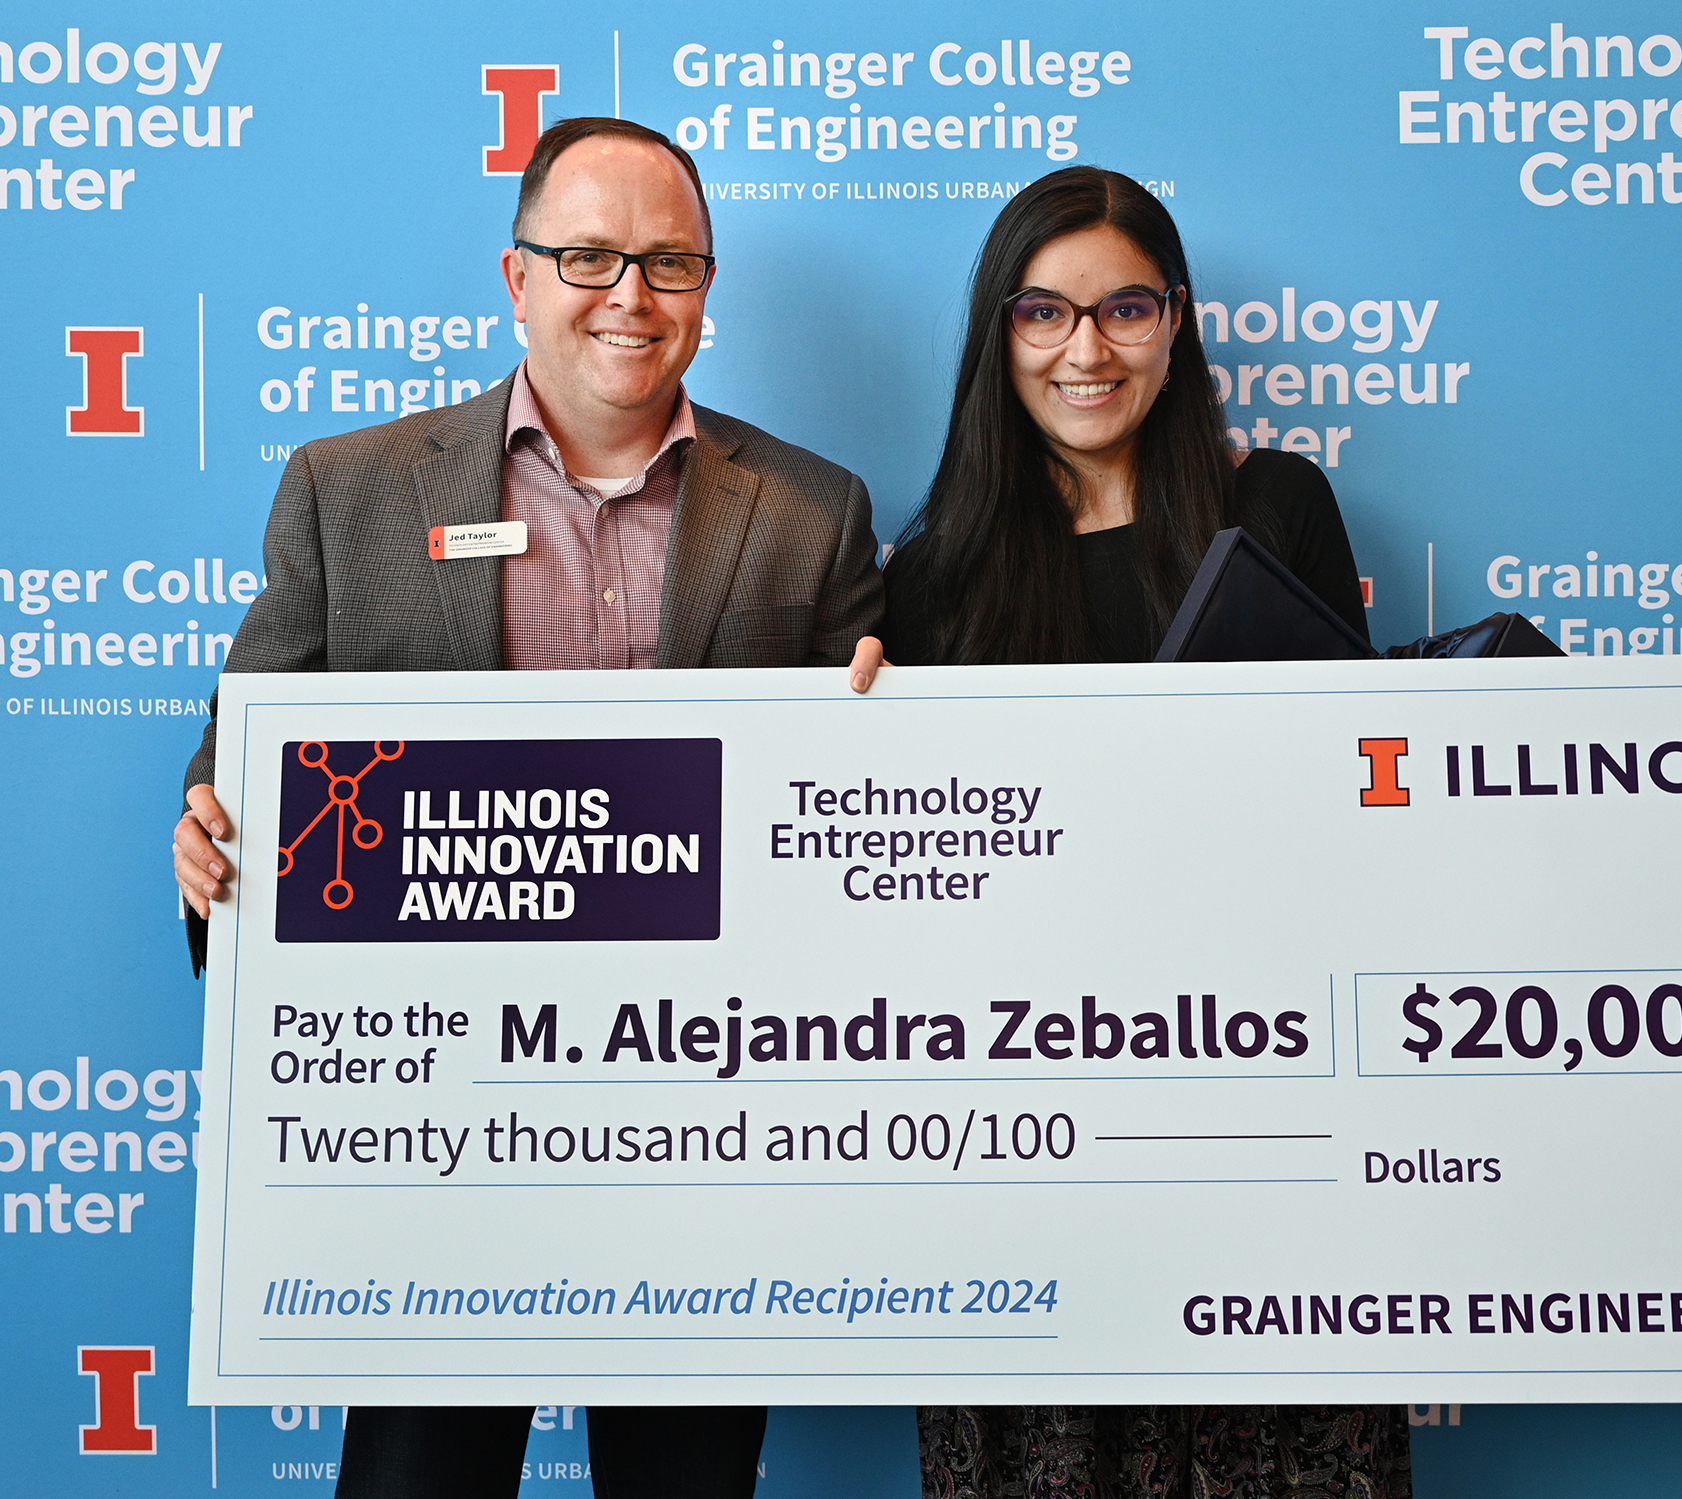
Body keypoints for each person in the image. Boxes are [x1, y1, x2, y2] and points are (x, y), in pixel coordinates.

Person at [172, 116, 883, 1499]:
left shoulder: (812, 511)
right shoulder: (353, 489)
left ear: (707, 283)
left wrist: (876, 739)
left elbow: (851, 843)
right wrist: (213, 836)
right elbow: (249, 762)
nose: (631, 296)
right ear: (516, 278)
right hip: (442, 1119)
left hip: (704, 1119)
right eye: (590, 256)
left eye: (669, 262)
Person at [848, 166, 1408, 1498]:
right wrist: (843, 756)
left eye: (1126, 310)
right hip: (1026, 1158)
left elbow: (1365, 819)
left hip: (1269, 1139)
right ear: (999, 338)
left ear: (1179, 323)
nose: (1085, 351)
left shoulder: (1275, 509)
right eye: (1043, 314)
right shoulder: (930, 578)